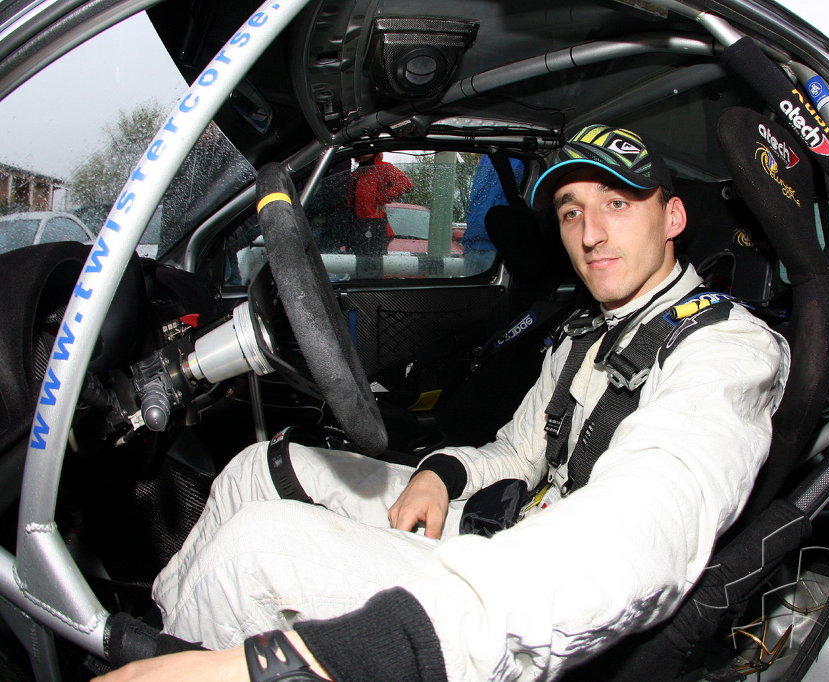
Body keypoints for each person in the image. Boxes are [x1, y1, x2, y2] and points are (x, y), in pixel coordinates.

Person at [98, 125, 789, 681]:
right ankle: (161, 637)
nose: (590, 234)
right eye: (572, 211)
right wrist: (441, 473)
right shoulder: (586, 330)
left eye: (617, 204)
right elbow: (516, 452)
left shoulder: (727, 350)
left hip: (532, 603)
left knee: (252, 551)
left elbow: (644, 527)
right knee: (257, 469)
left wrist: (396, 638)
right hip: (506, 523)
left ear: (672, 216)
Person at [462, 155, 525, 274]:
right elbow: (476, 200)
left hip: (501, 249)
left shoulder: (525, 158)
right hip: (474, 247)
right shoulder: (488, 155)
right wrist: (467, 244)